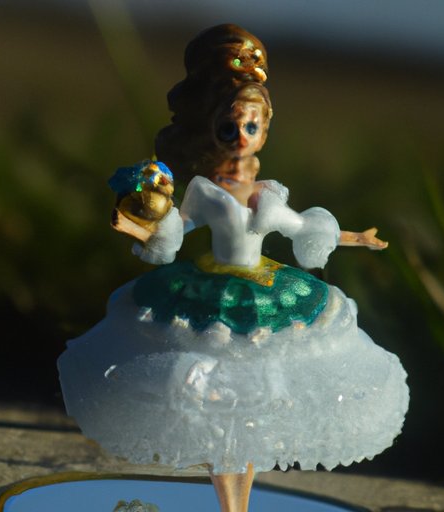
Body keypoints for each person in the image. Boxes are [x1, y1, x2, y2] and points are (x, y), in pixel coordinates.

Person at [58, 24, 408, 512]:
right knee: (213, 405)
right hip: (209, 295)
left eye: (251, 127)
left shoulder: (270, 192)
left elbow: (303, 228)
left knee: (254, 410)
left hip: (267, 292)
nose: (241, 137)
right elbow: (174, 233)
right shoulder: (205, 190)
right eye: (230, 127)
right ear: (212, 129)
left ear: (265, 129)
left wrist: (355, 238)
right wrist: (137, 228)